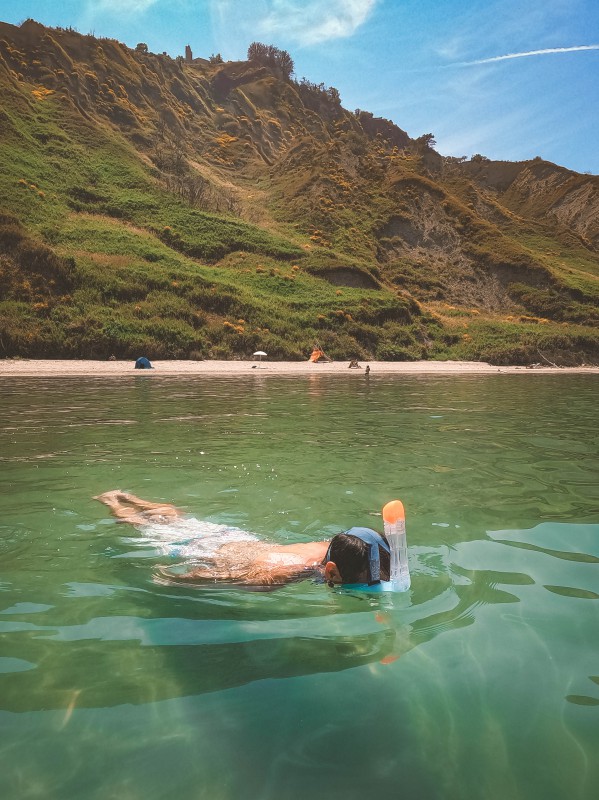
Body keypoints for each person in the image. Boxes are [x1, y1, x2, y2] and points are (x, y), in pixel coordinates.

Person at [95, 491, 391, 589]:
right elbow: (226, 576)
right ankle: (113, 501)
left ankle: (128, 495)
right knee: (136, 523)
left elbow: (365, 544)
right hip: (204, 548)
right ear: (331, 571)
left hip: (235, 538)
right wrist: (176, 581)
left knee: (174, 517)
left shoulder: (339, 544)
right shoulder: (286, 574)